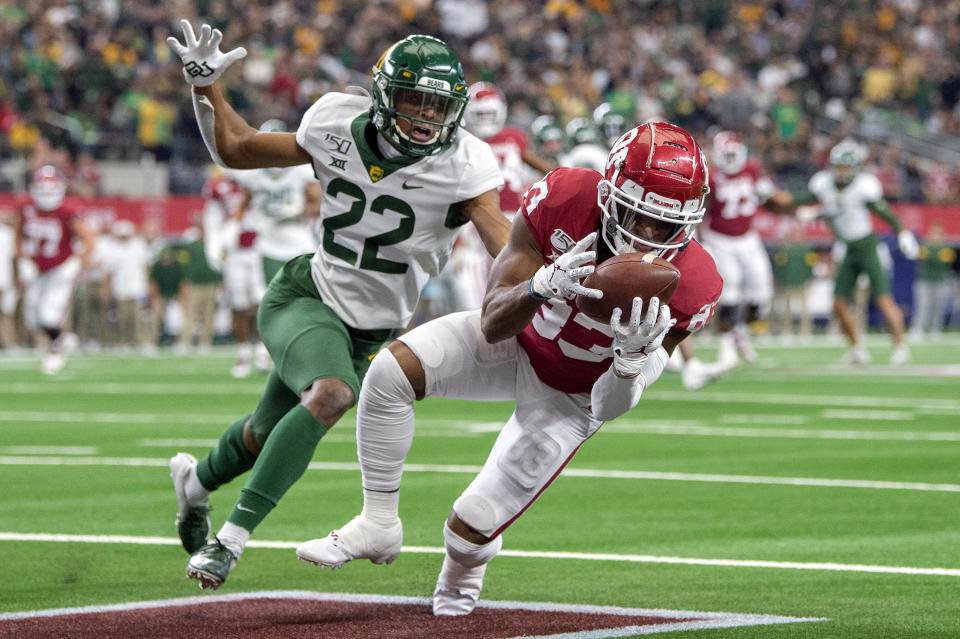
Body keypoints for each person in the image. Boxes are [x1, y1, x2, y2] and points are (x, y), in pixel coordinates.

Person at [295, 122, 722, 617]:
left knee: (470, 526)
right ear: (607, 194)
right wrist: (540, 286)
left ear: (687, 223)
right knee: (390, 372)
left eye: (663, 225)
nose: (644, 235)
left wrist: (628, 363)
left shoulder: (695, 284)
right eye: (635, 214)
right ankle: (378, 521)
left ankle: (459, 583)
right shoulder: (562, 198)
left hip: (574, 396)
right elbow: (494, 321)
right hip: (518, 342)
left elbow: (608, 407)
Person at [164, 21, 506, 590]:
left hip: (374, 329)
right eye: (413, 100)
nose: (424, 116)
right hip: (308, 296)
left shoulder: (465, 162)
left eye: (436, 104)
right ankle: (230, 540)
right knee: (331, 396)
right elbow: (240, 148)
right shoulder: (333, 122)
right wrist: (206, 88)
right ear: (381, 96)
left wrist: (545, 275)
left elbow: (501, 235)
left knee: (263, 432)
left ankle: (195, 485)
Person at [794, 139, 917, 365]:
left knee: (883, 299)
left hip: (868, 246)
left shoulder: (863, 186)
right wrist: (813, 212)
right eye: (839, 166)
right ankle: (857, 349)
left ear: (855, 168)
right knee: (838, 303)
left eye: (846, 166)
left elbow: (885, 213)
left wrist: (902, 232)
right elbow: (805, 202)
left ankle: (901, 347)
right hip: (848, 248)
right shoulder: (824, 185)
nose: (843, 171)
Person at [224, 119, 323, 377]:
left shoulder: (300, 171)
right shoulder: (253, 173)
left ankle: (305, 352)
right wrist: (229, 232)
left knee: (305, 302)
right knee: (267, 302)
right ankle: (266, 353)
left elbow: (318, 204)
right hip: (268, 243)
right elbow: (242, 206)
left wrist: (296, 212)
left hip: (298, 241)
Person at [448, 82, 556, 311]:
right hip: (493, 220)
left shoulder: (465, 140)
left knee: (482, 288)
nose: (485, 119)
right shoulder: (510, 138)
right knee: (498, 281)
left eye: (488, 113)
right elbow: (542, 166)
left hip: (486, 219)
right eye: (481, 114)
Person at [700, 131, 795, 369]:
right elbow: (701, 213)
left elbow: (771, 199)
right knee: (730, 293)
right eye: (727, 154)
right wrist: (703, 244)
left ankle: (740, 332)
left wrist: (772, 195)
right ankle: (726, 347)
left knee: (761, 294)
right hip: (720, 239)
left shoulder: (752, 169)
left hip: (748, 239)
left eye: (734, 154)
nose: (731, 159)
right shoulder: (710, 177)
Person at [13, 165, 95, 374]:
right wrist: (23, 260)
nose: (46, 195)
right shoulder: (27, 209)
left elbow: (89, 240)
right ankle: (63, 338)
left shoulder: (68, 211)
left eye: (50, 190)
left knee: (48, 314)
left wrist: (76, 263)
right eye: (43, 190)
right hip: (38, 268)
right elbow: (18, 235)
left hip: (61, 267)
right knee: (32, 317)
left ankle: (55, 350)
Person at [908, 222, 955, 340]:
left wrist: (933, 255)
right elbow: (924, 259)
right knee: (922, 306)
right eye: (934, 233)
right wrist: (934, 254)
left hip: (941, 280)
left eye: (939, 233)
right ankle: (918, 328)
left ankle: (936, 329)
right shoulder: (925, 247)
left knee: (938, 306)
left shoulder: (946, 249)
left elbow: (944, 262)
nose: (936, 236)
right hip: (924, 280)